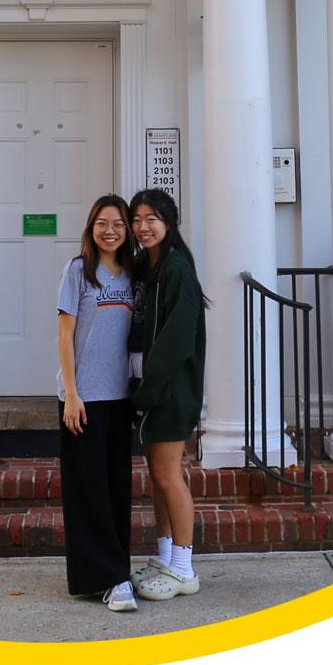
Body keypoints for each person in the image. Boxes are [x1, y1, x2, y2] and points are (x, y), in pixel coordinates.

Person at [56, 193, 139, 613]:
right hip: (84, 399)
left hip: (119, 397)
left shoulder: (132, 276)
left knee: (115, 490)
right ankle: (109, 579)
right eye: (103, 223)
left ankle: (117, 570)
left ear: (127, 232)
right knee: (88, 492)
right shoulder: (78, 271)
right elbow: (65, 336)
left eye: (119, 224)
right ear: (91, 227)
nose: (111, 231)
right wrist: (71, 394)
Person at [127, 189, 207, 601]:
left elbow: (177, 342)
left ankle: (183, 568)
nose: (143, 227)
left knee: (168, 476)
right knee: (156, 479)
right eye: (137, 219)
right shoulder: (147, 268)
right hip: (150, 391)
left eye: (152, 218)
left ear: (169, 222)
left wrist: (150, 390)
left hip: (169, 393)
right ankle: (164, 556)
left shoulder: (176, 270)